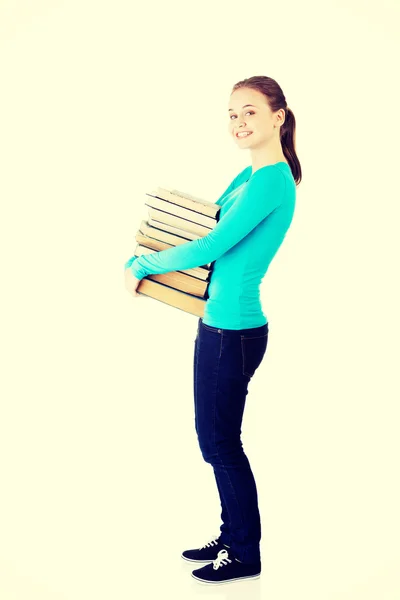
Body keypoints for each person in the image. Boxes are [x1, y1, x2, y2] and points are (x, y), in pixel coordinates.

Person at [124, 75, 302, 585]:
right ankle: (232, 533)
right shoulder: (250, 175)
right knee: (216, 440)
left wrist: (143, 264)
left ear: (278, 117)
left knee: (221, 443)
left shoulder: (272, 179)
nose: (238, 122)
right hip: (218, 326)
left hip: (234, 331)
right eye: (231, 114)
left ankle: (245, 553)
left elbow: (212, 245)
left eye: (249, 111)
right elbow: (205, 226)